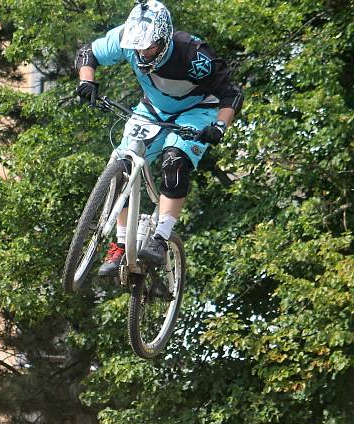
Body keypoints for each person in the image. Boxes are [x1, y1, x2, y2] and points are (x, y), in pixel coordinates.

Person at [75, 0, 243, 275]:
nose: (141, 52)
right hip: (153, 108)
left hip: (197, 111)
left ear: (164, 39)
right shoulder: (126, 39)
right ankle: (119, 245)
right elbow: (87, 53)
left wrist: (220, 126)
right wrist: (86, 81)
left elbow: (232, 93)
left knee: (173, 160)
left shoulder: (193, 55)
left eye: (149, 46)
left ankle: (161, 238)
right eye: (137, 46)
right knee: (124, 164)